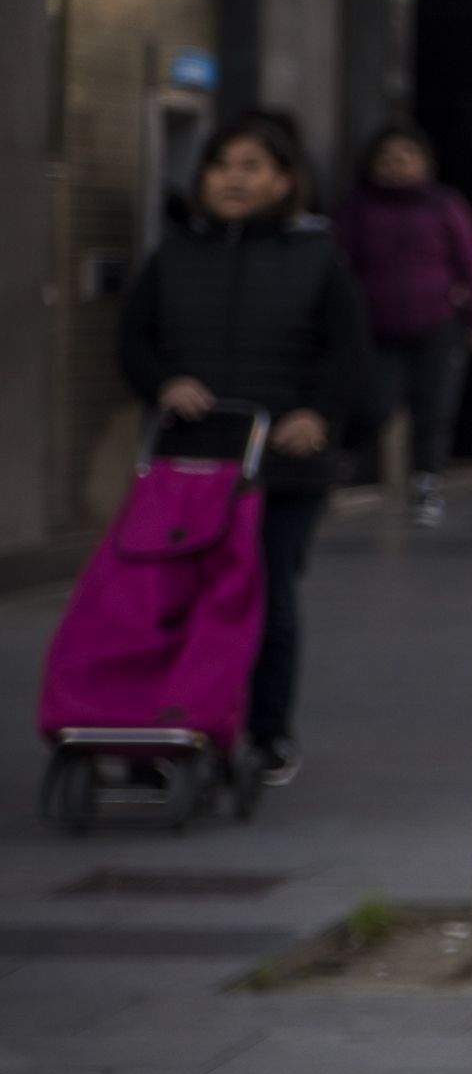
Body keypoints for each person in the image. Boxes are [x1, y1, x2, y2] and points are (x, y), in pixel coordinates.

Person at [118, 108, 375, 788]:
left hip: (280, 466)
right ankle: (170, 725)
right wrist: (163, 381)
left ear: (283, 180)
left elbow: (347, 351)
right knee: (171, 595)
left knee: (264, 592)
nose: (233, 179)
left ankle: (266, 731)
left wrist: (316, 413)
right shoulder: (174, 252)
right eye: (221, 166)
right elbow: (134, 341)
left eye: (251, 167)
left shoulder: (316, 256)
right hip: (191, 460)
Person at [335, 119, 472, 527]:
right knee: (374, 402)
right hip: (378, 325)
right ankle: (342, 461)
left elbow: (471, 265)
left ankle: (426, 482)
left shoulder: (444, 205)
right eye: (388, 159)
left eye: (406, 158)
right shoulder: (359, 208)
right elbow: (340, 266)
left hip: (437, 323)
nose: (397, 166)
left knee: (435, 407)